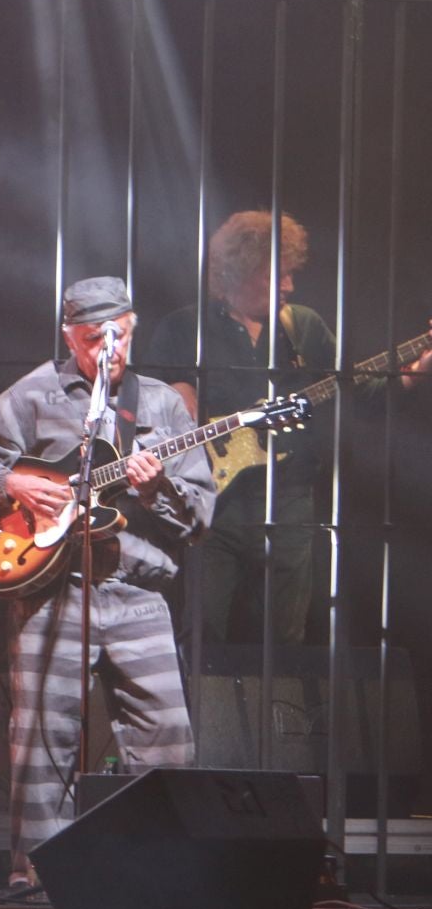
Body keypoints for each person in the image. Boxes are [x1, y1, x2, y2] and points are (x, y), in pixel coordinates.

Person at [0, 276, 215, 880]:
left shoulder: (166, 406)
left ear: (134, 327)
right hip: (53, 592)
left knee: (167, 736)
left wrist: (159, 487)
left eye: (117, 336)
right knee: (43, 742)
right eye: (93, 339)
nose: (107, 351)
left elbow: (199, 514)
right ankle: (39, 879)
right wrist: (12, 482)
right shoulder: (37, 393)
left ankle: (157, 874)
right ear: (71, 337)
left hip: (139, 591)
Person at [150, 211, 432, 644]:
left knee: (283, 636)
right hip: (211, 506)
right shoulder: (186, 326)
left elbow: (358, 392)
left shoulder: (302, 327)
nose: (289, 286)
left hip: (288, 501)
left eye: (289, 274)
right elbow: (147, 400)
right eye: (277, 275)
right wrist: (178, 394)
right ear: (238, 274)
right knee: (203, 631)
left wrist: (414, 373)